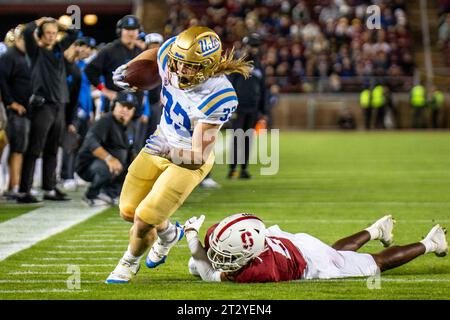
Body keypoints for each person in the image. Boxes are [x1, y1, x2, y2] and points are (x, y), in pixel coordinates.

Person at [105, 26, 252, 283]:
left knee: (144, 217)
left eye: (191, 67)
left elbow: (196, 156)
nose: (181, 70)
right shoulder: (173, 57)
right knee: (128, 210)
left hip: (188, 159)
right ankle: (170, 233)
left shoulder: (218, 94)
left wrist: (168, 151)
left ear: (208, 66)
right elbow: (157, 53)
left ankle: (129, 261)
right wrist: (133, 66)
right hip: (161, 140)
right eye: (179, 62)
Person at [184, 213, 448, 283]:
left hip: (313, 264)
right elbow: (208, 262)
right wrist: (197, 239)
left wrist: (193, 245)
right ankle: (377, 230)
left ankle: (430, 242)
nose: (218, 255)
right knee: (336, 252)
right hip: (295, 242)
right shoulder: (239, 235)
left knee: (375, 264)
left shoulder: (256, 272)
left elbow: (208, 275)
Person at [17, 17, 78, 203]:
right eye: (48, 33)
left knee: (52, 149)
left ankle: (49, 188)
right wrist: (42, 20)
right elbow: (27, 32)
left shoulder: (59, 50)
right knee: (35, 148)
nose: (52, 36)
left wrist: (59, 25)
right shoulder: (36, 51)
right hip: (42, 105)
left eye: (54, 33)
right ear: (41, 35)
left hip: (59, 104)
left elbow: (74, 34)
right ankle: (23, 190)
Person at [75, 92, 138, 206]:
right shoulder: (105, 121)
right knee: (108, 165)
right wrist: (109, 159)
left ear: (133, 111)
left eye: (129, 107)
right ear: (114, 106)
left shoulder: (131, 126)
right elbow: (90, 142)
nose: (125, 109)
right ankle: (91, 195)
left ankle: (109, 193)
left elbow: (131, 151)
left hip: (113, 165)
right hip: (88, 165)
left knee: (134, 166)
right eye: (122, 105)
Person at [84, 15, 143, 116]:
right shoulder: (110, 50)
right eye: (127, 29)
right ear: (120, 31)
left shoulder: (140, 51)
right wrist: (105, 91)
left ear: (138, 31)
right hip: (114, 107)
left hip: (135, 107)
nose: (131, 33)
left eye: (134, 29)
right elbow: (90, 71)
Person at [228, 33, 267, 180]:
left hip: (253, 108)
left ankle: (243, 169)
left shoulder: (259, 65)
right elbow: (229, 85)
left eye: (257, 46)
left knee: (248, 139)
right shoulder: (238, 63)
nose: (255, 48)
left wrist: (264, 110)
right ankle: (232, 170)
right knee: (237, 138)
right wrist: (231, 107)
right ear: (246, 46)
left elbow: (263, 89)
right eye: (252, 45)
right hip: (239, 107)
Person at [60, 37, 97, 191]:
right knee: (70, 143)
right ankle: (65, 175)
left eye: (90, 48)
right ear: (78, 47)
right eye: (86, 47)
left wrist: (90, 111)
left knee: (79, 145)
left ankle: (73, 172)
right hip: (73, 110)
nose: (88, 51)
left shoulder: (84, 66)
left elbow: (87, 92)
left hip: (84, 111)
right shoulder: (69, 65)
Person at [0, 25, 32, 199]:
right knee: (14, 149)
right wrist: (11, 103)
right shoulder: (9, 56)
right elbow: (2, 82)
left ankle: (14, 184)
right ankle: (13, 186)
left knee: (19, 149)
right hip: (12, 112)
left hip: (22, 111)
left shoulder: (24, 56)